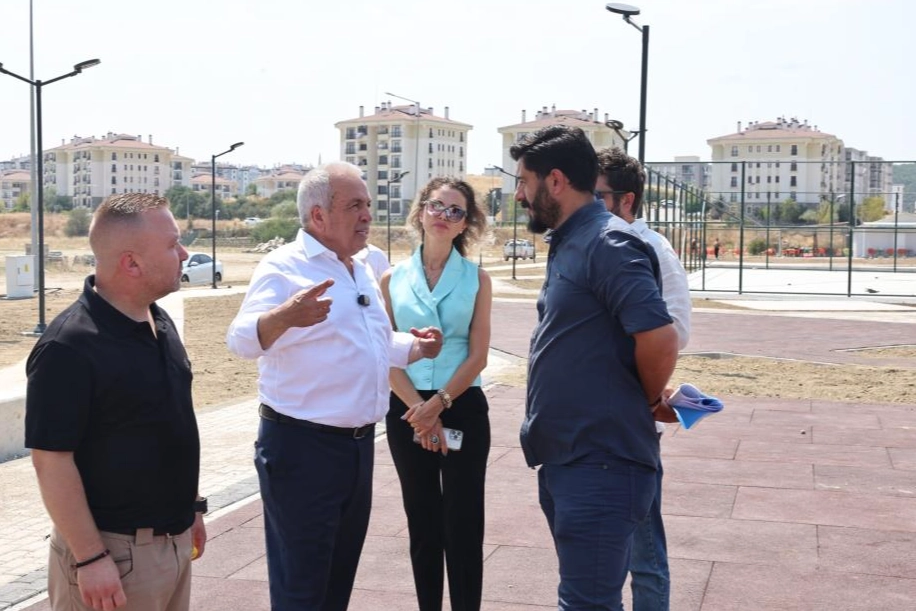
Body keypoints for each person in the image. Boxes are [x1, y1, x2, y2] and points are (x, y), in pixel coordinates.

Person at [225, 161, 443, 611]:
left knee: (336, 584)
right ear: (318, 215)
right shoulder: (284, 267)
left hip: (357, 448)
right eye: (354, 206)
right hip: (302, 450)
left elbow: (370, 341)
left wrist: (416, 347)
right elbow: (240, 340)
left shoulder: (362, 266)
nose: (367, 215)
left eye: (368, 204)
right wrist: (283, 317)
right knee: (302, 589)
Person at [510, 125, 679, 610]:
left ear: (556, 181)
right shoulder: (573, 242)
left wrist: (647, 397)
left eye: (524, 182)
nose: (519, 195)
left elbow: (660, 336)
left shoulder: (608, 244)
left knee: (586, 604)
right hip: (573, 459)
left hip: (601, 463)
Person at [25, 193, 207, 611]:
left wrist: (192, 508)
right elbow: (51, 461)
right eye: (172, 244)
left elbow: (170, 424)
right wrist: (91, 558)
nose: (183, 254)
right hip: (112, 558)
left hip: (173, 543)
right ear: (131, 263)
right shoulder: (69, 346)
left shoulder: (158, 319)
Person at [380, 178, 492, 611]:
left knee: (463, 521)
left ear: (466, 223)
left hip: (460, 405)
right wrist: (419, 410)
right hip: (407, 409)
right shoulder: (392, 278)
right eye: (436, 206)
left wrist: (438, 404)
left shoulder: (477, 279)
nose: (443, 216)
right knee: (422, 520)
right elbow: (384, 352)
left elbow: (478, 355)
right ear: (420, 212)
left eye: (455, 211)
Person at [596, 147, 692, 611]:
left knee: (643, 545)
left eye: (598, 195)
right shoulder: (596, 243)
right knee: (603, 546)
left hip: (629, 418)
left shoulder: (650, 248)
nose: (588, 205)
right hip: (594, 417)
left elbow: (676, 330)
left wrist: (646, 393)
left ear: (627, 200)